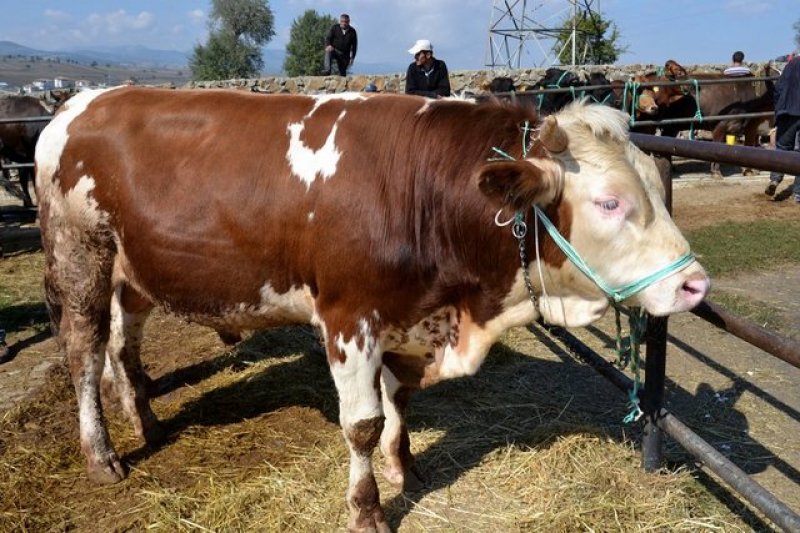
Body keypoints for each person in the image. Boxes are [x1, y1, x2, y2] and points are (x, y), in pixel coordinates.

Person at [764, 56, 800, 200]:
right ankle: (798, 193)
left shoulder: (789, 68)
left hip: (787, 113)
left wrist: (779, 111)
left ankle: (775, 179)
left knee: (782, 148)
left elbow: (777, 90)